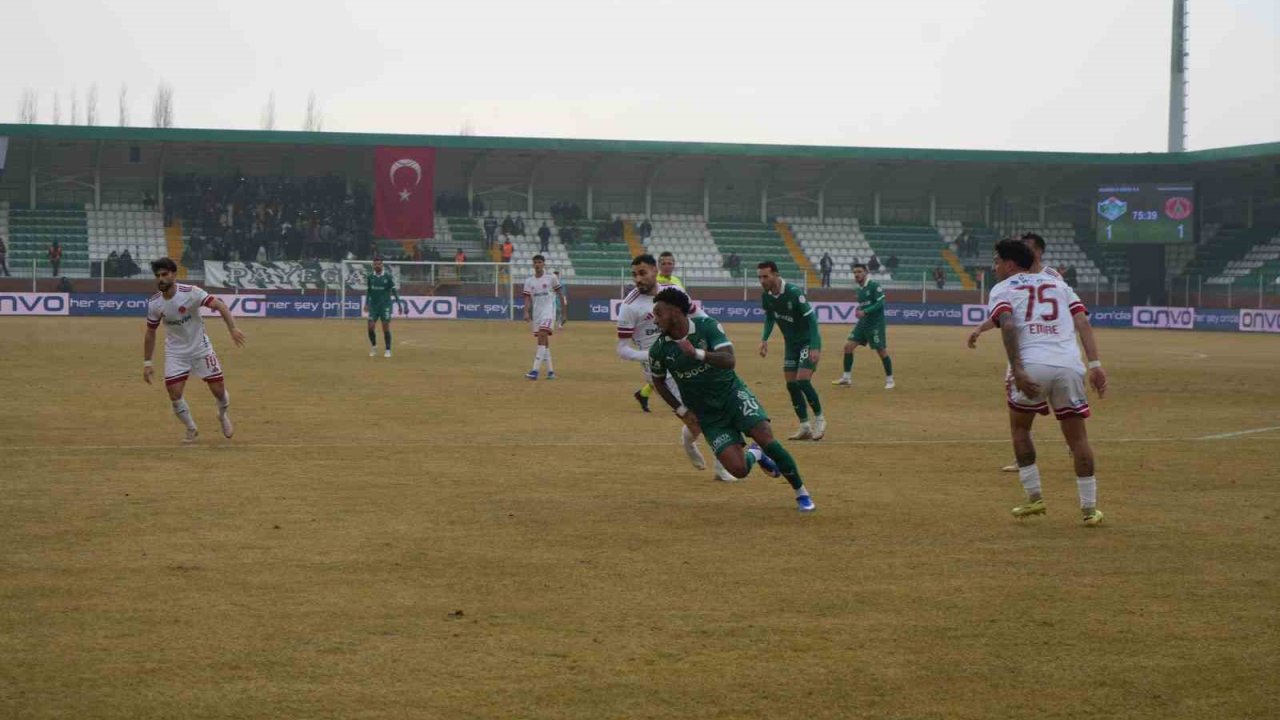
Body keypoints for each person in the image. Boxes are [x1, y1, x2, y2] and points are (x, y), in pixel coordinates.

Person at [648, 288, 816, 512]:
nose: (655, 319)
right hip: (708, 414)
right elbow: (659, 382)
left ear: (676, 312)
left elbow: (729, 360)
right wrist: (681, 411)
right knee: (738, 469)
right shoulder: (659, 349)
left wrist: (697, 353)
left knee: (766, 435)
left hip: (732, 394)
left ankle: (801, 492)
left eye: (659, 313)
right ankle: (756, 453)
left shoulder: (707, 326)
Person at [986, 238, 1108, 526]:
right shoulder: (1059, 285)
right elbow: (1083, 323)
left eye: (996, 261)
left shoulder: (1003, 289)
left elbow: (1009, 324)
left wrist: (1017, 368)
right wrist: (1096, 366)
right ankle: (1089, 510)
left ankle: (1034, 497)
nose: (994, 267)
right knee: (1078, 438)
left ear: (1010, 264)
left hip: (1032, 365)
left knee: (1020, 428)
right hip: (1069, 366)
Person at [616, 255, 735, 482]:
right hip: (660, 369)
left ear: (654, 270)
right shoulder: (629, 306)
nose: (637, 279)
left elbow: (699, 315)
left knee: (711, 409)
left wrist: (715, 331)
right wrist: (655, 355)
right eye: (634, 274)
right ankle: (714, 462)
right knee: (702, 414)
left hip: (687, 355)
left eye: (642, 273)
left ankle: (700, 450)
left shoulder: (673, 292)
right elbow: (622, 349)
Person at [967, 232, 1063, 472]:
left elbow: (1069, 311)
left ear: (1038, 251)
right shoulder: (1014, 282)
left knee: (1059, 403)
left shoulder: (1052, 277)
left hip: (1051, 349)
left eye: (1027, 247)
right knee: (1021, 409)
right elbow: (1006, 317)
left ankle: (1073, 443)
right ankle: (1023, 460)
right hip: (1023, 351)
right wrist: (981, 327)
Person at [143, 257, 246, 443]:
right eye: (157, 276)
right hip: (176, 353)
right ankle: (191, 428)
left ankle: (222, 416)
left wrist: (233, 328)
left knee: (219, 391)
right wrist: (147, 362)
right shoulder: (154, 303)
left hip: (201, 349)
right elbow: (150, 332)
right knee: (174, 394)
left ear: (174, 275)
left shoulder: (191, 292)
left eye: (164, 274)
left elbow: (219, 305)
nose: (160, 279)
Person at [757, 261, 826, 440]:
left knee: (802, 380)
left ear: (776, 275)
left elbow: (812, 320)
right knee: (791, 385)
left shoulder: (794, 292)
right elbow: (770, 318)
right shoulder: (766, 296)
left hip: (806, 343)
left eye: (765, 276)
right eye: (760, 277)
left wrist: (815, 346)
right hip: (791, 346)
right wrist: (764, 339)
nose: (762, 280)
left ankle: (820, 420)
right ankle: (804, 426)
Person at [832, 263, 895, 389]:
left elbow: (881, 303)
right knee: (848, 347)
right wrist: (859, 309)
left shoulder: (874, 286)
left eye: (859, 272)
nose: (857, 274)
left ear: (866, 272)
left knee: (881, 351)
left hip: (875, 324)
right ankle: (846, 378)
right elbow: (863, 305)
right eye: (855, 272)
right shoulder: (859, 289)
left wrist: (865, 311)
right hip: (863, 323)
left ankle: (890, 380)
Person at [522, 254, 567, 380]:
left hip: (549, 311)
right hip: (537, 313)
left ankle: (535, 370)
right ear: (533, 264)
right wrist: (526, 312)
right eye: (535, 262)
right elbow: (526, 298)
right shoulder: (529, 281)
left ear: (543, 264)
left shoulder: (551, 278)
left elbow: (560, 294)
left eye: (539, 262)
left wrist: (563, 313)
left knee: (542, 334)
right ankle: (551, 372)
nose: (537, 264)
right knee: (543, 341)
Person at [365, 256, 400, 358]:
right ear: (373, 265)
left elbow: (393, 290)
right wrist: (366, 303)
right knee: (370, 327)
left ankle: (388, 349)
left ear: (382, 265)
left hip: (385, 305)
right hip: (373, 306)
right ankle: (374, 347)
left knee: (385, 327)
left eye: (379, 264)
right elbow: (369, 291)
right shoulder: (370, 277)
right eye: (375, 264)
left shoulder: (388, 277)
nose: (377, 266)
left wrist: (399, 303)